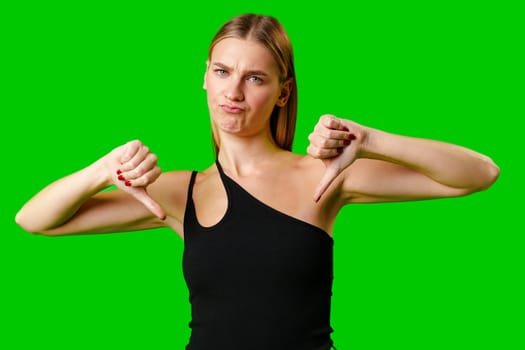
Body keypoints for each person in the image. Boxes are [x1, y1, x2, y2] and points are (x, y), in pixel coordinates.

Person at [15, 13, 499, 350]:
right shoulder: (179, 192)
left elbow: (478, 174)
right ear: (204, 77)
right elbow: (34, 220)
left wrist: (372, 139)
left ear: (282, 92)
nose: (233, 91)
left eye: (255, 78)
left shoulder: (326, 176)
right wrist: (102, 171)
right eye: (223, 71)